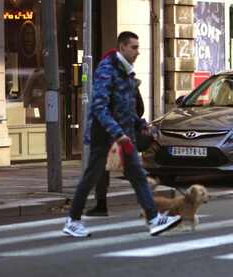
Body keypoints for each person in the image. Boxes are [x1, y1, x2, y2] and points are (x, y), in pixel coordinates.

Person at [63, 31, 181, 237]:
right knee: (91, 177)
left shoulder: (126, 71)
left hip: (123, 135)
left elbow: (125, 106)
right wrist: (118, 134)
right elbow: (99, 107)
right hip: (105, 134)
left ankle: (154, 219)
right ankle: (73, 221)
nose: (138, 52)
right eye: (134, 47)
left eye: (138, 47)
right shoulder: (107, 69)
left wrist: (139, 123)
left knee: (138, 176)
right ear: (122, 47)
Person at [85, 49, 148, 217]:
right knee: (131, 171)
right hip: (120, 133)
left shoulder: (118, 83)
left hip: (113, 134)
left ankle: (101, 204)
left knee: (106, 171)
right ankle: (146, 205)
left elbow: (136, 109)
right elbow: (139, 108)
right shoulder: (127, 81)